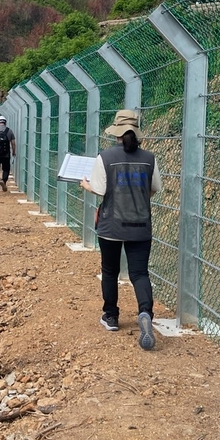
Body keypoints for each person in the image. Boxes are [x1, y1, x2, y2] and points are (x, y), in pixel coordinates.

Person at [81, 109, 162, 350]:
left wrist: (85, 185)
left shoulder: (105, 157)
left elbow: (100, 189)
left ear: (116, 132)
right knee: (140, 273)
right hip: (140, 225)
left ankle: (111, 316)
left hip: (111, 225)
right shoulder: (149, 158)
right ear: (137, 131)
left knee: (109, 271)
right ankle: (145, 312)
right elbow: (153, 187)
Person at [0, 115, 17, 192]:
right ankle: (4, 180)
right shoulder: (9, 131)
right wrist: (13, 151)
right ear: (5, 122)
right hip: (6, 154)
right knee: (6, 169)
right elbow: (13, 143)